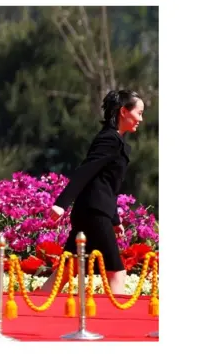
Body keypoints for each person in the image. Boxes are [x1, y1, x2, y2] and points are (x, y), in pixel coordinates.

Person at [40, 89, 144, 295]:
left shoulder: (117, 141)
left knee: (67, 269)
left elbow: (108, 185)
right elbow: (86, 171)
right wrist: (61, 203)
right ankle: (118, 323)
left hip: (94, 211)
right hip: (93, 213)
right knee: (116, 272)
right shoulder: (109, 139)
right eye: (139, 113)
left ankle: (35, 306)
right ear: (124, 111)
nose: (141, 118)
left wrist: (115, 220)